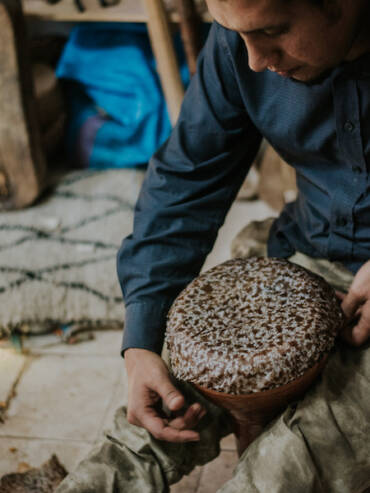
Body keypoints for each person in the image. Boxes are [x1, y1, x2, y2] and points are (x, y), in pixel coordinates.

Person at [56, 0, 370, 491]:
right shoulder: (241, 38)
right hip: (307, 253)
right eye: (237, 34)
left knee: (287, 467)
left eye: (272, 30)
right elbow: (187, 178)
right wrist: (142, 338)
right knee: (144, 431)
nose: (253, 60)